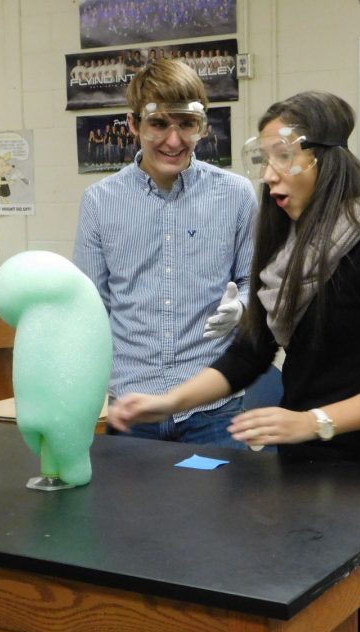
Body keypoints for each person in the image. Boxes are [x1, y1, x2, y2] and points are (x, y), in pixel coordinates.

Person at [107, 90, 360, 632]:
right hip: (297, 471)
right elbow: (249, 354)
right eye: (263, 160)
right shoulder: (288, 241)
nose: (270, 176)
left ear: (324, 159)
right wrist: (167, 401)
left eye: (283, 159)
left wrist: (312, 421)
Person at [74, 58, 257, 450]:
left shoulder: (237, 195)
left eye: (186, 125)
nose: (173, 141)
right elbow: (89, 309)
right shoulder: (99, 203)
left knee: (219, 514)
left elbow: (253, 282)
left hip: (214, 410)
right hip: (132, 407)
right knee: (132, 514)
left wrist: (242, 307)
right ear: (133, 124)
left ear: (201, 126)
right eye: (159, 124)